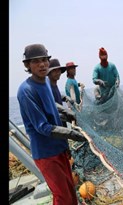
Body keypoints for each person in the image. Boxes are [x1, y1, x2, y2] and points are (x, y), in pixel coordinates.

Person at [17, 44, 86, 205]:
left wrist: (66, 112)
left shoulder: (46, 82)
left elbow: (52, 104)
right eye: (36, 62)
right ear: (28, 65)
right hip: (46, 153)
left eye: (44, 60)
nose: (42, 65)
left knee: (71, 191)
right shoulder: (26, 91)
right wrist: (71, 134)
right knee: (62, 196)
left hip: (59, 148)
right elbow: (43, 127)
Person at [47, 58, 74, 127]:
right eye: (54, 71)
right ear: (49, 72)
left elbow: (56, 95)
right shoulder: (47, 86)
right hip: (55, 123)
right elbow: (51, 103)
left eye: (59, 70)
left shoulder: (54, 84)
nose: (58, 72)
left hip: (62, 121)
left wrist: (64, 97)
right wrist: (66, 113)